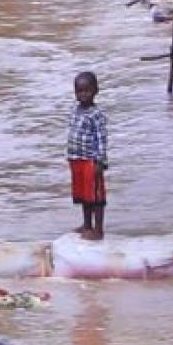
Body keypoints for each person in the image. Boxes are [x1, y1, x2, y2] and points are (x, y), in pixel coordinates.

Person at [67, 71, 108, 240]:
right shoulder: (75, 110)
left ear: (96, 91)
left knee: (96, 196)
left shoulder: (96, 114)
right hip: (77, 159)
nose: (83, 95)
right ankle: (87, 224)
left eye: (87, 91)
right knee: (84, 195)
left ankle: (98, 229)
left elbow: (101, 139)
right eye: (79, 91)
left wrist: (100, 161)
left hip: (92, 160)